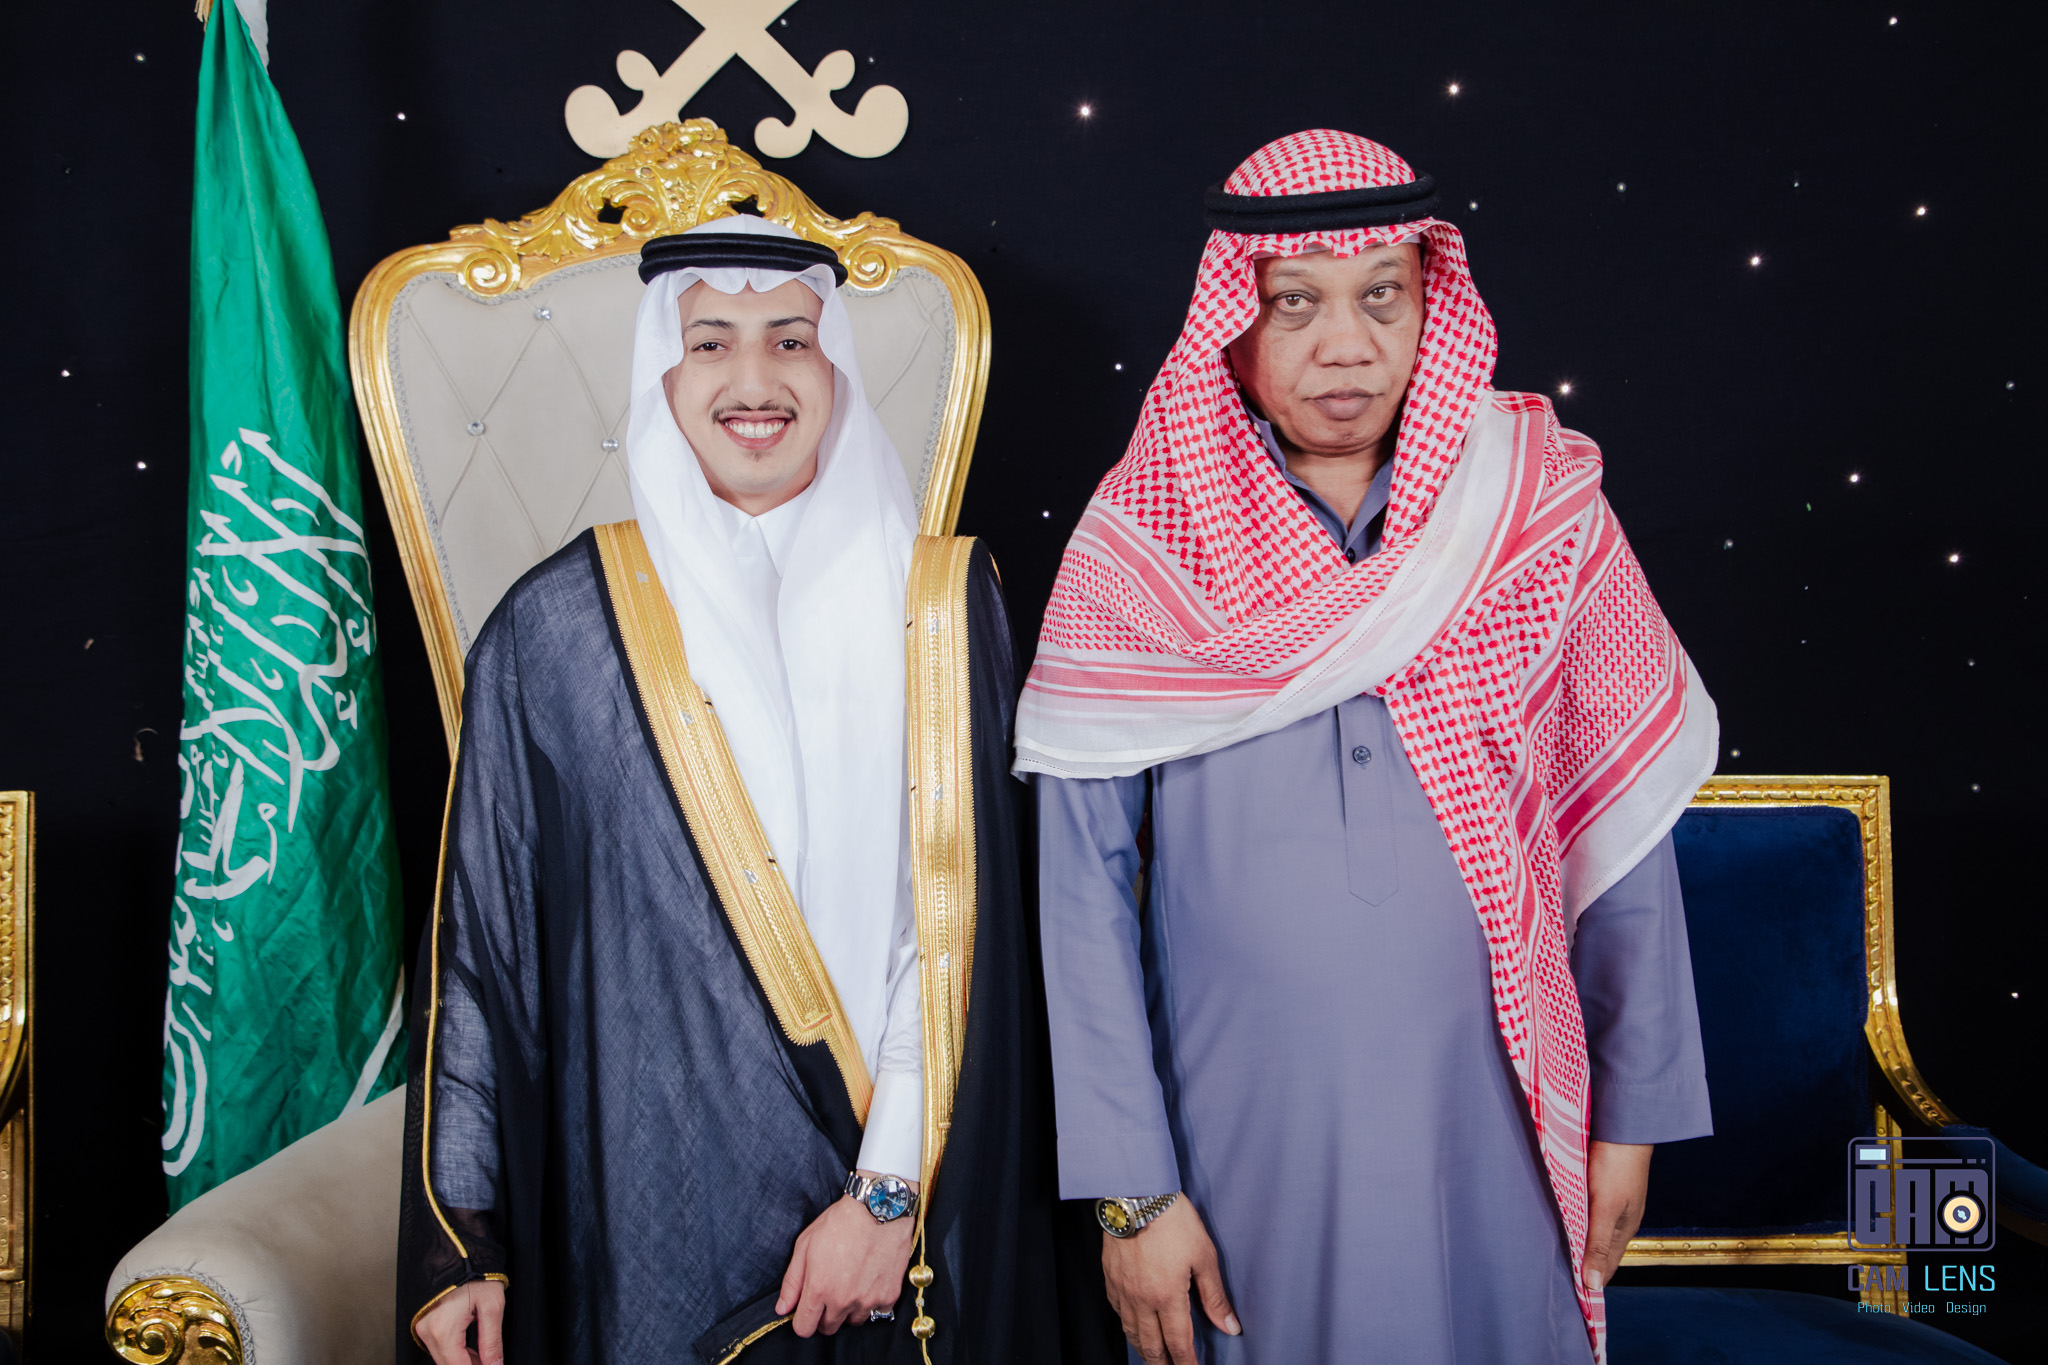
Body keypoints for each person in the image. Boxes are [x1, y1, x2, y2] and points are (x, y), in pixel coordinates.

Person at [1017, 130, 1717, 1365]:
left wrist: (1633, 1116)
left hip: (1497, 1117)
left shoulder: (1530, 510)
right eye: (1294, 302)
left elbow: (1619, 821)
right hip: (1236, 1138)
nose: (1344, 344)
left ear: (1429, 305)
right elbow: (1077, 900)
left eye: (1380, 297)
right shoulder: (1137, 544)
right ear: (1231, 321)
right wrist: (1131, 1191)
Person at [398, 216, 1063, 1364]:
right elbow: (480, 958)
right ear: (662, 370)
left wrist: (885, 1197)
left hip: (902, 1211)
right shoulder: (554, 631)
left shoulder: (944, 604)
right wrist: (464, 1245)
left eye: (789, 339)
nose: (753, 380)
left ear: (833, 361)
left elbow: (956, 942)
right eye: (709, 342)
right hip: (646, 1221)